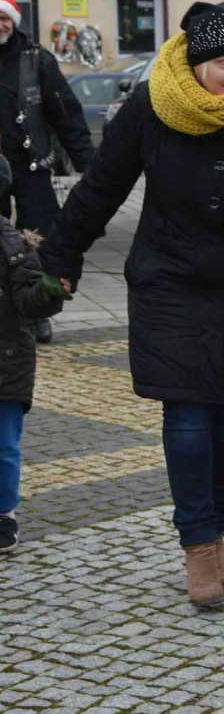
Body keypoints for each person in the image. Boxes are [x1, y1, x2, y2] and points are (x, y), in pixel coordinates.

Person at [39, 0, 224, 607]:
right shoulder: (151, 106)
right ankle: (198, 546)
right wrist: (60, 261)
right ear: (194, 64)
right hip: (169, 280)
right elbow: (101, 187)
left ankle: (217, 532)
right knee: (189, 415)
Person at [0, 0, 94, 343]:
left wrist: (89, 167)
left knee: (39, 245)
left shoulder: (37, 60)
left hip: (30, 172)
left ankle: (40, 313)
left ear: (14, 21)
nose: (0, 24)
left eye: (5, 17)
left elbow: (67, 114)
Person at [0, 153, 71, 553]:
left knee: (4, 446)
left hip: (6, 362)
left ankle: (4, 513)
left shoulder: (12, 243)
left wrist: (48, 292)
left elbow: (29, 299)